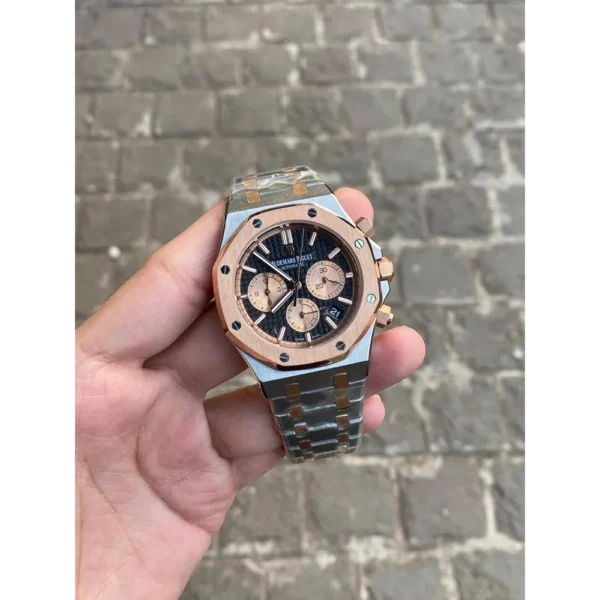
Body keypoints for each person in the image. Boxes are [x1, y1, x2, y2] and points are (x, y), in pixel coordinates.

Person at [73, 188, 426, 599]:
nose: (299, 285)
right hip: (282, 353)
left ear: (375, 268)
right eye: (281, 285)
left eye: (319, 278)